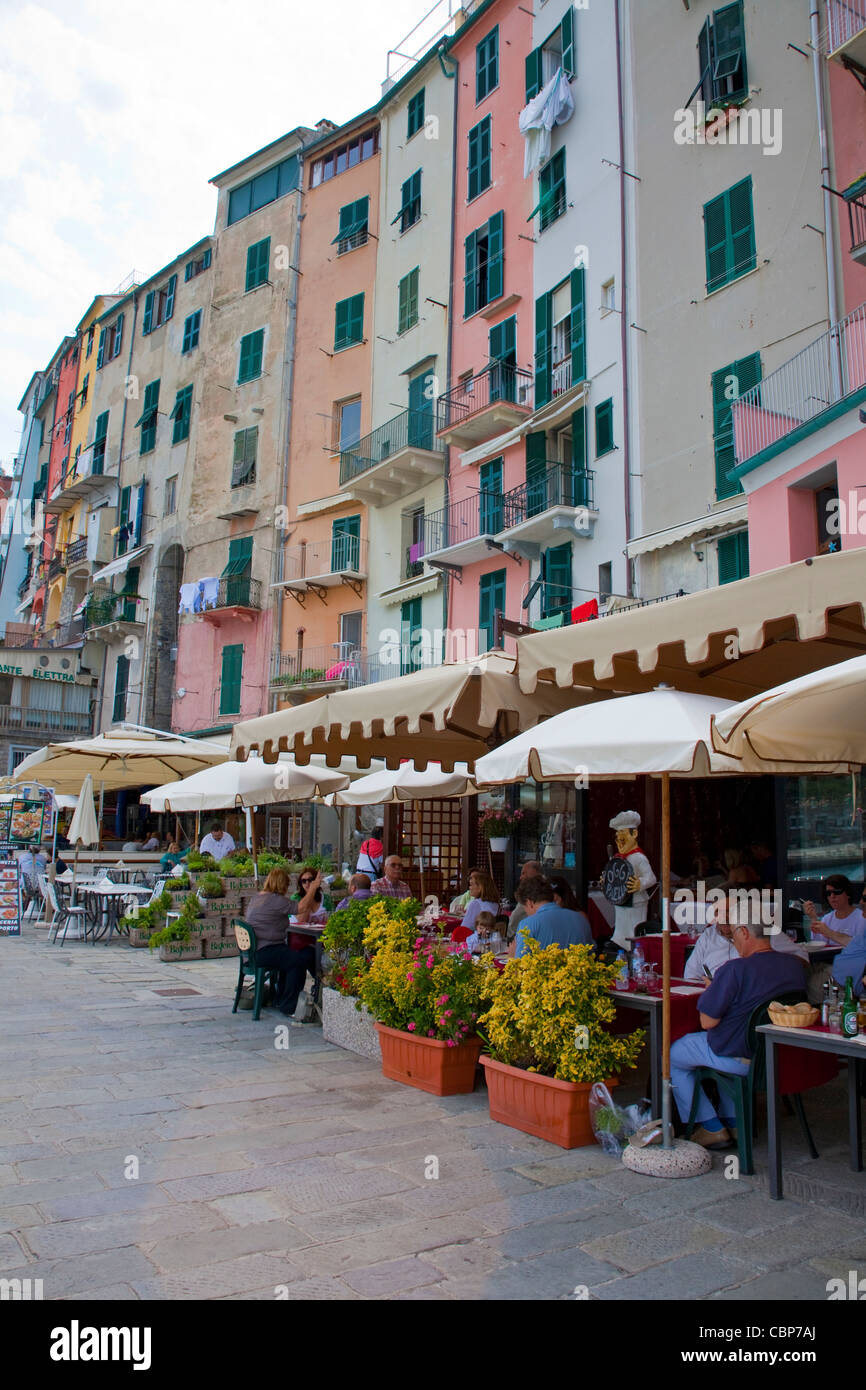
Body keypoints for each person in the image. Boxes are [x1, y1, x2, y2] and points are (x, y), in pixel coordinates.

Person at [670, 894, 808, 1150]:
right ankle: (733, 1120)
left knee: (673, 1055)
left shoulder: (733, 970)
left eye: (734, 933)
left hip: (744, 1058)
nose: (732, 938)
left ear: (744, 932)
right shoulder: (794, 966)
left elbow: (707, 1021)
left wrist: (716, 990)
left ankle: (710, 1127)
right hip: (782, 1055)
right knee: (728, 1040)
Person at [243, 869, 314, 1020]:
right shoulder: (276, 900)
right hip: (265, 950)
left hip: (252, 951)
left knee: (289, 956)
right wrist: (313, 888)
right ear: (282, 884)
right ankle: (289, 1005)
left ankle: (280, 998)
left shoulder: (257, 898)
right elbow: (300, 908)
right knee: (298, 961)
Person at [683, 910, 808, 982]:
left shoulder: (762, 932)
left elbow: (802, 960)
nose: (725, 917)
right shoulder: (709, 935)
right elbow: (691, 975)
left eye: (729, 911)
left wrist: (771, 964)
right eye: (719, 912)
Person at [605, 811, 657, 950]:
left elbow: (651, 878)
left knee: (634, 926)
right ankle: (619, 940)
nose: (620, 839)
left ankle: (634, 946)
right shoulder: (618, 858)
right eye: (617, 836)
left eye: (624, 834)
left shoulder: (639, 858)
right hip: (621, 900)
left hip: (636, 901)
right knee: (621, 924)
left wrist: (640, 884)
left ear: (634, 834)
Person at [512, 875, 594, 958]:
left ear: (530, 903)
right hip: (579, 969)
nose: (526, 913)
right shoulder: (580, 919)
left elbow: (520, 968)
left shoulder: (527, 924)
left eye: (525, 908)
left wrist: (512, 957)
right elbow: (591, 954)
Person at [802, 875, 864, 944]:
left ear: (848, 893)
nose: (832, 896)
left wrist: (829, 932)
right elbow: (819, 945)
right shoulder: (827, 919)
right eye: (828, 893)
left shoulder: (862, 918)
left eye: (837, 892)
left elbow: (860, 946)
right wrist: (813, 918)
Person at [506, 860, 544, 942]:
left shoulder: (534, 893)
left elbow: (515, 919)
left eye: (524, 873)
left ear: (535, 872)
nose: (521, 877)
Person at [460, 868, 500, 932]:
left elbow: (464, 929)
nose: (469, 887)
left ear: (480, 888)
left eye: (471, 884)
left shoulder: (476, 904)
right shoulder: (496, 904)